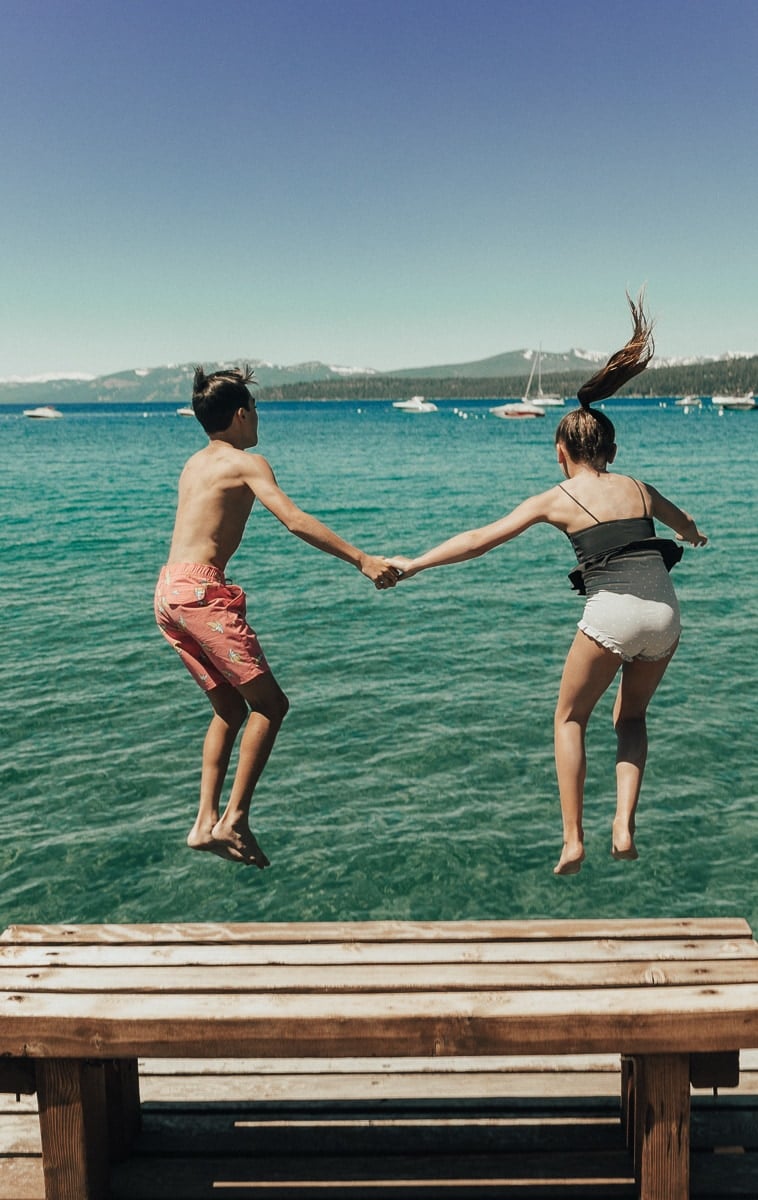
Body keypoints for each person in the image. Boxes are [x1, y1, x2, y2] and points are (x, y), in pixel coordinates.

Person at [388, 295, 707, 875]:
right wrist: (696, 536)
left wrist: (414, 563)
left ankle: (573, 840)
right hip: (664, 615)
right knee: (630, 721)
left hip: (611, 615)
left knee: (569, 720)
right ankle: (624, 825)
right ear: (610, 452)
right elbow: (684, 527)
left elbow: (479, 539)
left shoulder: (556, 497)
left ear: (560, 453)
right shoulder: (637, 486)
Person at [155, 366, 399, 867]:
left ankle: (204, 822)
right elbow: (295, 520)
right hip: (202, 592)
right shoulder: (247, 463)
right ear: (241, 414)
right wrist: (362, 559)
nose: (258, 419)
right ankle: (234, 819)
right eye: (256, 410)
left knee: (229, 709)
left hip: (168, 593)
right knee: (271, 706)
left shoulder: (194, 464)